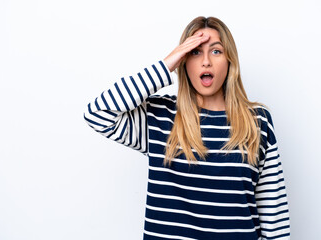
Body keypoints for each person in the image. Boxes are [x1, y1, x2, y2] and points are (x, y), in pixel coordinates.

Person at [84, 16, 290, 240]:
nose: (205, 62)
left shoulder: (257, 122)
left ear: (230, 61)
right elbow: (97, 114)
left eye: (216, 51)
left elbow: (275, 218)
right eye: (195, 52)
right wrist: (166, 64)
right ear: (184, 61)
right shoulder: (159, 118)